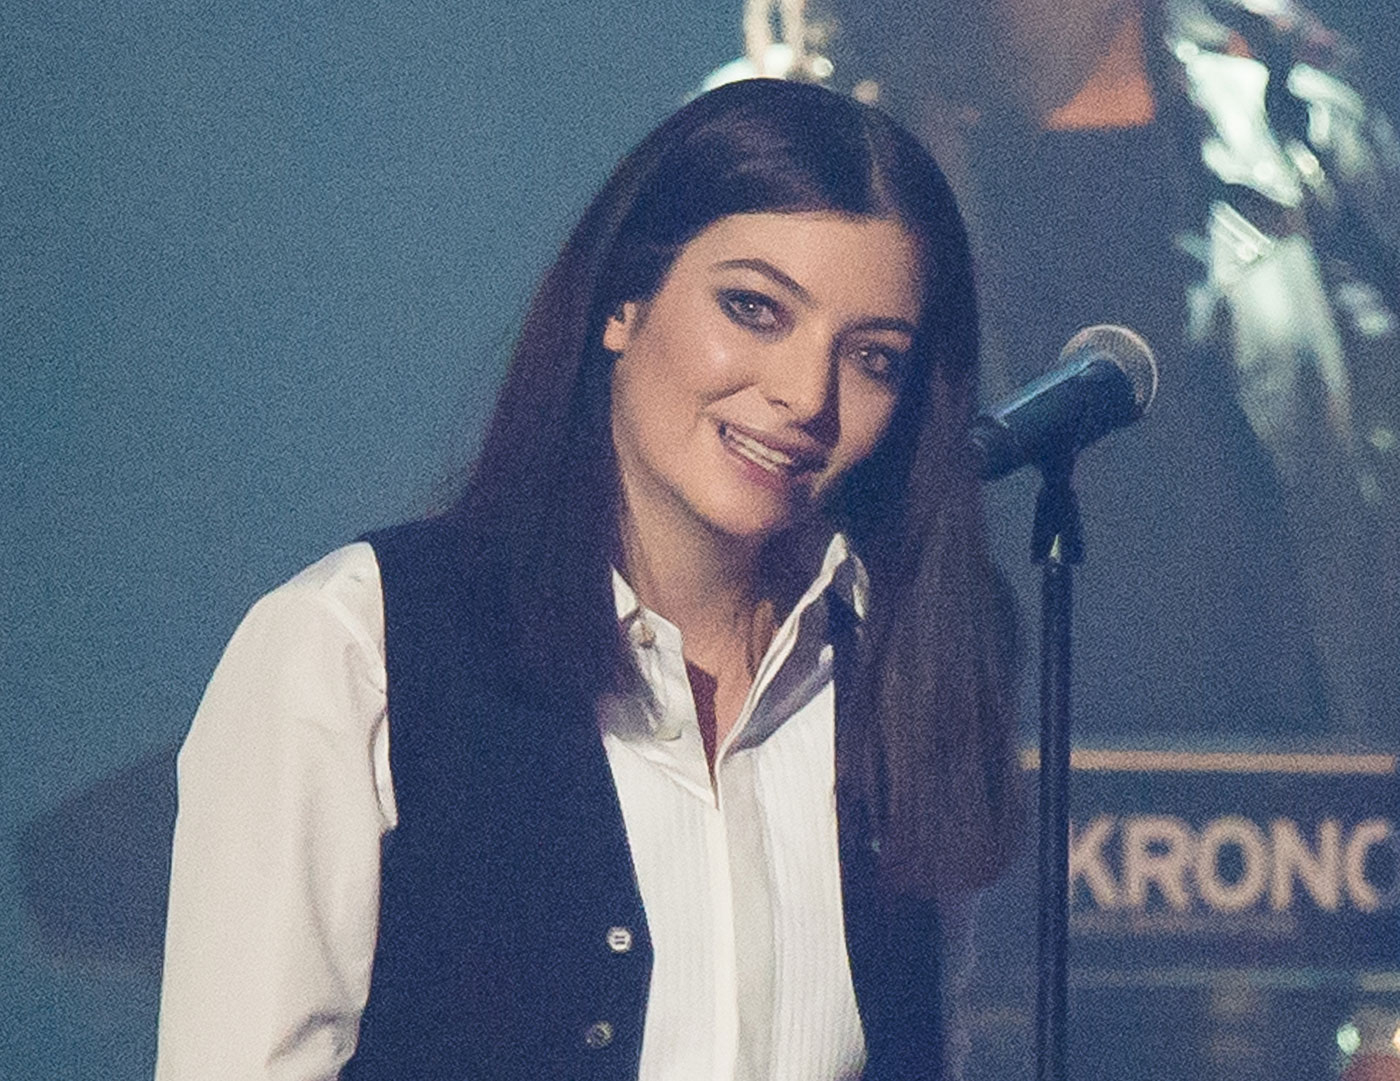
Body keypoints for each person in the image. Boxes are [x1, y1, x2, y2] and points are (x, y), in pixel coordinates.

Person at [155, 78, 1021, 1081]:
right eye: (754, 310)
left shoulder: (890, 669)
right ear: (623, 301)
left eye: (872, 357)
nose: (802, 393)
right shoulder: (353, 646)